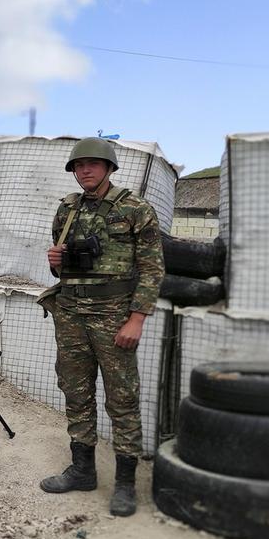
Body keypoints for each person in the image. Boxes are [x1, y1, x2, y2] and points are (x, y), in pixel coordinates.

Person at [37, 137, 164, 517]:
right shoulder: (67, 209)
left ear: (109, 168)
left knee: (121, 398)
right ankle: (82, 470)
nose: (85, 171)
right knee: (75, 391)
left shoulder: (135, 208)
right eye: (79, 166)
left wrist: (137, 318)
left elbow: (153, 268)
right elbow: (63, 267)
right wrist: (54, 261)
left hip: (114, 315)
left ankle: (125, 483)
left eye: (93, 164)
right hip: (71, 312)